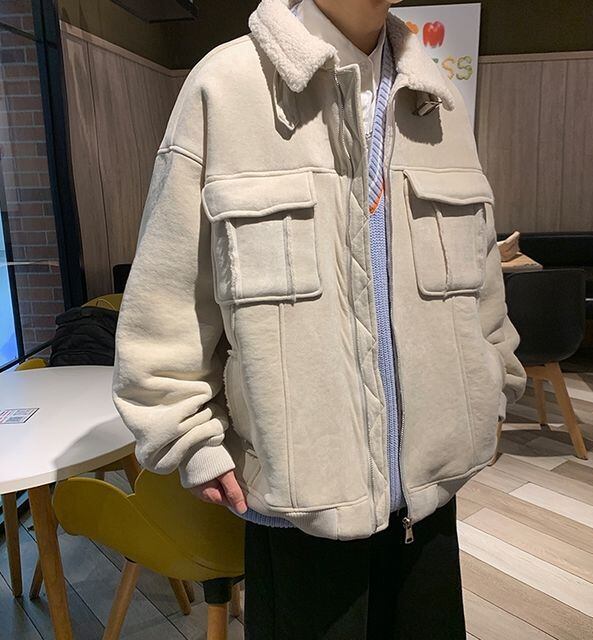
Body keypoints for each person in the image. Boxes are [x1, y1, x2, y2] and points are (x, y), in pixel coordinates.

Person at [112, 0, 527, 637]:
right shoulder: (225, 88)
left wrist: (493, 388)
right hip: (297, 503)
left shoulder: (437, 105)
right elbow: (165, 298)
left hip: (431, 497)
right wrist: (189, 437)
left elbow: (482, 288)